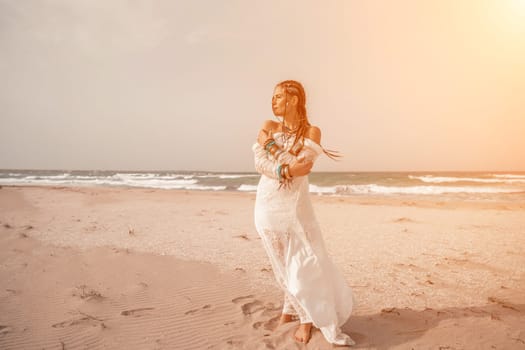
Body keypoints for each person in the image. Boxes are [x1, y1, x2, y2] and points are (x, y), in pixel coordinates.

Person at [252, 80, 355, 345]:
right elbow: (261, 164)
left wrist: (271, 148)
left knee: (303, 260)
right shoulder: (268, 126)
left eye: (278, 96)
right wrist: (282, 168)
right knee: (282, 264)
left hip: (296, 207)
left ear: (294, 99)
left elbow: (301, 167)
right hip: (267, 203)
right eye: (272, 96)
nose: (272, 101)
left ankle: (305, 316)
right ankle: (295, 311)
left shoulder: (312, 132)